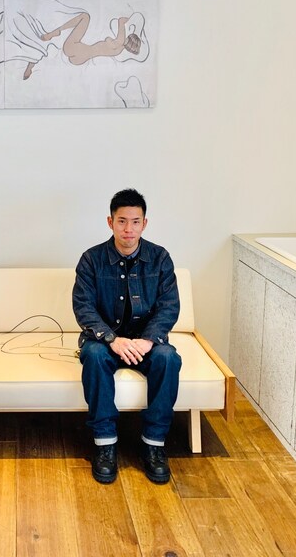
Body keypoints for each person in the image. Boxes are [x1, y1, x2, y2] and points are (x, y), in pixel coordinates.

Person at [72, 188, 181, 484]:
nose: (128, 229)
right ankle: (105, 444)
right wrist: (112, 339)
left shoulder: (160, 258)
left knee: (168, 358)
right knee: (93, 354)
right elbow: (83, 307)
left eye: (135, 222)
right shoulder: (91, 259)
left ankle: (154, 444)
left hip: (145, 342)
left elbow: (169, 306)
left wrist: (148, 340)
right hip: (106, 342)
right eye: (122, 221)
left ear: (144, 224)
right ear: (110, 222)